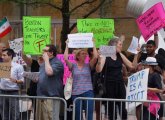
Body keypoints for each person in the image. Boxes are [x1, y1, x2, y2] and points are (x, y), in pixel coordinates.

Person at [96, 37, 135, 120]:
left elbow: (132, 66)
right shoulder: (105, 54)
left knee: (123, 109)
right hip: (109, 85)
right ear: (113, 45)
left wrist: (137, 54)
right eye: (120, 44)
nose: (121, 46)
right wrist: (99, 59)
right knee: (111, 110)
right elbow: (98, 70)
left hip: (120, 85)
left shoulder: (120, 54)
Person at [64, 40, 97, 120]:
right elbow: (65, 58)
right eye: (83, 53)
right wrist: (67, 45)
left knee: (89, 115)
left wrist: (94, 44)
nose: (85, 55)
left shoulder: (88, 65)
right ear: (78, 56)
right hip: (76, 93)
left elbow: (95, 57)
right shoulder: (73, 66)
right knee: (77, 116)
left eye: (85, 53)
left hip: (88, 92)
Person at [36, 44, 64, 120]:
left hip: (51, 97)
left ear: (51, 53)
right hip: (41, 96)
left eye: (45, 51)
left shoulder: (57, 63)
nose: (43, 52)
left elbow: (49, 72)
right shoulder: (44, 63)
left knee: (51, 117)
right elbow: (42, 77)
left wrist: (47, 60)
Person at [0, 48, 24, 120]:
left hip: (13, 92)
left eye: (4, 55)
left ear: (10, 56)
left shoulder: (18, 66)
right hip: (2, 92)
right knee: (4, 114)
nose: (2, 57)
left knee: (15, 114)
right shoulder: (2, 65)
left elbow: (22, 80)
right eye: (2, 55)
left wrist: (15, 81)